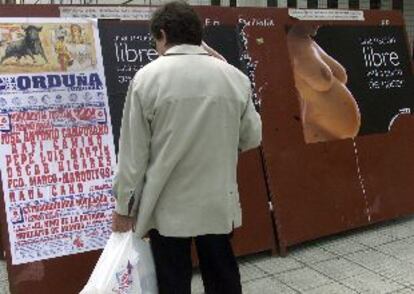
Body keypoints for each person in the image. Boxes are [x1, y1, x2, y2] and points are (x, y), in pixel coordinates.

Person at [111, 1, 262, 293]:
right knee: (223, 276)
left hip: (166, 205)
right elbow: (252, 137)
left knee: (172, 280)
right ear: (197, 34)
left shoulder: (146, 79)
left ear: (163, 34)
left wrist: (123, 208)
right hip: (217, 201)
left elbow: (133, 156)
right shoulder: (234, 78)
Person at [287, 23, 361, 143]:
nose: (319, 22)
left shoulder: (307, 42)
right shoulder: (292, 47)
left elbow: (340, 74)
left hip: (331, 137)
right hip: (315, 133)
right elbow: (320, 81)